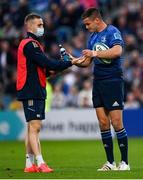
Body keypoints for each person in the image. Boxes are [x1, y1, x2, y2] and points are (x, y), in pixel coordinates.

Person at [16, 13, 82, 173]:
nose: (42, 28)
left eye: (42, 25)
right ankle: (40, 162)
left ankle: (29, 165)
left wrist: (65, 65)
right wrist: (68, 62)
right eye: (39, 25)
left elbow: (45, 70)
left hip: (35, 88)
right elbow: (47, 63)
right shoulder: (29, 44)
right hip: (31, 89)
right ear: (29, 26)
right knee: (35, 126)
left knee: (32, 127)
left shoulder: (34, 45)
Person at [74, 8, 130, 171]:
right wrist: (74, 61)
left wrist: (94, 53)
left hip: (112, 80)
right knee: (103, 123)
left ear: (96, 20)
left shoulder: (112, 31)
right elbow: (87, 62)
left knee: (117, 122)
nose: (86, 27)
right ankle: (110, 163)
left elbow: (117, 51)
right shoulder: (92, 38)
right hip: (97, 81)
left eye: (88, 23)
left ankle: (125, 162)